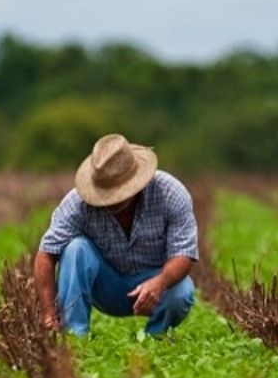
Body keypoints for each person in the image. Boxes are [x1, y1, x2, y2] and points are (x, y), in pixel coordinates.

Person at [34, 133, 198, 337]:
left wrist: (160, 282)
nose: (112, 201)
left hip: (154, 281)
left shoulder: (171, 193)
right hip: (106, 286)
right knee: (76, 249)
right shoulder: (77, 203)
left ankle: (155, 339)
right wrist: (48, 313)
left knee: (181, 292)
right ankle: (74, 337)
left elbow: (183, 254)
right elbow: (45, 255)